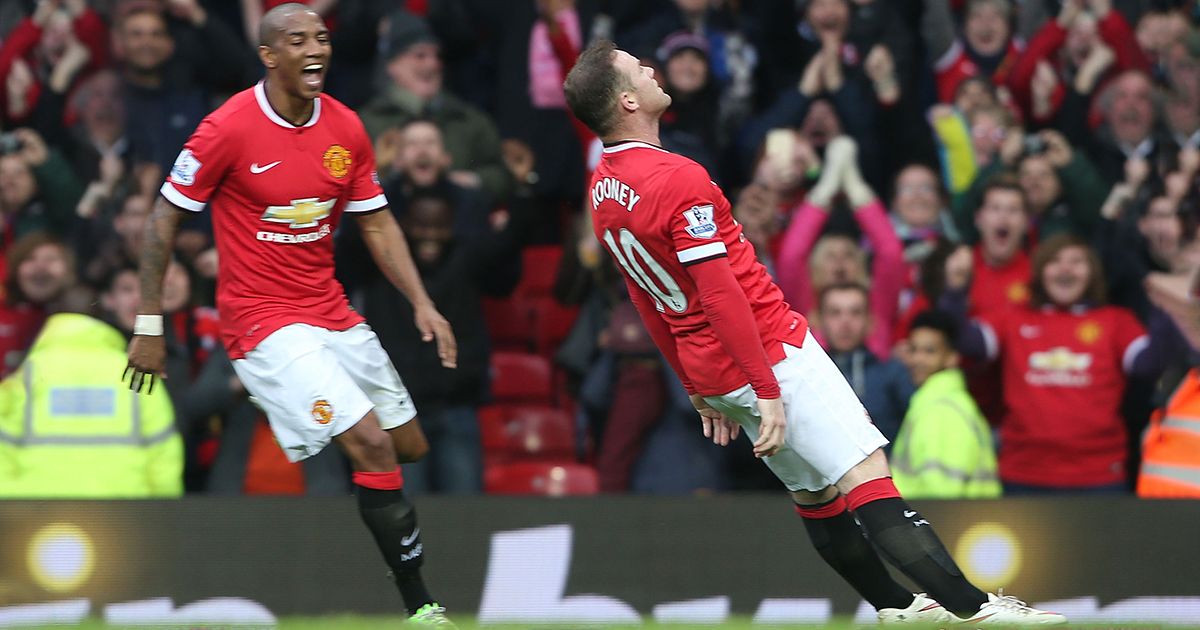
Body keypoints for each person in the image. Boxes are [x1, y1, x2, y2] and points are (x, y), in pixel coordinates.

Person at [564, 39, 1065, 625]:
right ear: (627, 100)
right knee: (865, 476)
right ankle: (975, 610)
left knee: (815, 495)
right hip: (769, 353)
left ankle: (898, 607)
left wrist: (694, 381)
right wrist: (768, 385)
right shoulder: (678, 177)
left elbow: (645, 296)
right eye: (636, 67)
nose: (650, 67)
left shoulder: (602, 190)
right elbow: (722, 292)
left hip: (715, 370)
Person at [122, 4, 458, 626]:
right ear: (269, 56)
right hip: (261, 320)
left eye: (323, 38)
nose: (315, 49)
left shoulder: (347, 128)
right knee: (371, 445)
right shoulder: (226, 128)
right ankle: (422, 606)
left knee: (407, 444)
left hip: (328, 309)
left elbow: (377, 220)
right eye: (297, 40)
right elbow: (164, 216)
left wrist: (422, 302)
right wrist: (149, 321)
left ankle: (284, 399)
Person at [891, 310, 1000, 499]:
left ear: (952, 357)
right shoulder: (939, 401)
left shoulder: (941, 410)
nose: (918, 359)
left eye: (929, 351)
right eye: (913, 350)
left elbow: (943, 495)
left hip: (942, 523)